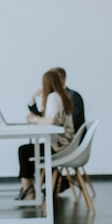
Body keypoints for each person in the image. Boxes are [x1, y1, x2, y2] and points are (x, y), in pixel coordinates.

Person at [16, 70, 75, 200]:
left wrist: (35, 120)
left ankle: (28, 189)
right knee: (29, 151)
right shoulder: (61, 96)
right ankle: (28, 188)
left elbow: (52, 120)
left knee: (24, 151)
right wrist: (33, 101)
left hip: (59, 145)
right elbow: (47, 117)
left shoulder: (53, 97)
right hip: (64, 143)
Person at [28, 67, 85, 132]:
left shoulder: (70, 95)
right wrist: (32, 98)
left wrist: (36, 119)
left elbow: (52, 120)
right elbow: (44, 116)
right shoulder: (54, 96)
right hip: (60, 135)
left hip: (66, 136)